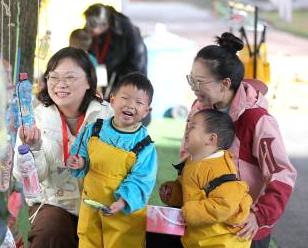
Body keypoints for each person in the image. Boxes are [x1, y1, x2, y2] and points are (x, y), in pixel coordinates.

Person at [179, 32, 297, 248]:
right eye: (191, 80)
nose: (193, 88)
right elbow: (188, 155)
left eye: (199, 82)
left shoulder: (257, 119)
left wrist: (259, 216)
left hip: (243, 230)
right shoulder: (198, 109)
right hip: (203, 226)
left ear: (225, 83)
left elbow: (283, 174)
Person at [12, 47, 114, 248]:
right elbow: (28, 178)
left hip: (100, 202)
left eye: (70, 77)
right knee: (51, 231)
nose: (60, 84)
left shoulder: (107, 115)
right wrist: (34, 148)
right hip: (55, 203)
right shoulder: (35, 118)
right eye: (54, 77)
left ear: (88, 82)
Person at [66, 72, 158, 248]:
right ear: (113, 100)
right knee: (87, 242)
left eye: (139, 102)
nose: (130, 105)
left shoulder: (144, 146)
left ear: (147, 111)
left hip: (123, 215)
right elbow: (80, 152)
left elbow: (141, 181)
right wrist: (79, 162)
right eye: (125, 98)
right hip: (91, 207)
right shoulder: (94, 129)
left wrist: (122, 202)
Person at [160, 109, 253, 247]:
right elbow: (190, 190)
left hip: (221, 242)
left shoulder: (219, 168)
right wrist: (174, 192)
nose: (186, 130)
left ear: (211, 139)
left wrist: (188, 213)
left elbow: (225, 204)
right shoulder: (192, 161)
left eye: (192, 127)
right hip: (202, 239)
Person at [84, 3, 148, 97]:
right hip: (106, 76)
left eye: (92, 28)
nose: (88, 29)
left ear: (104, 25)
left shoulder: (126, 31)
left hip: (127, 79)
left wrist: (121, 88)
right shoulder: (97, 32)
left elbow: (136, 65)